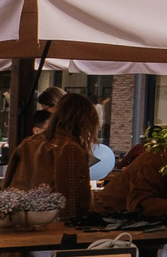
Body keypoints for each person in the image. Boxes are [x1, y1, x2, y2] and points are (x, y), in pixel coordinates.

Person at [6, 91, 98, 221]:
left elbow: (8, 181)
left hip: (17, 216)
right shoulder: (70, 148)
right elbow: (69, 198)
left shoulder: (28, 142)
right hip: (50, 221)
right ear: (84, 120)